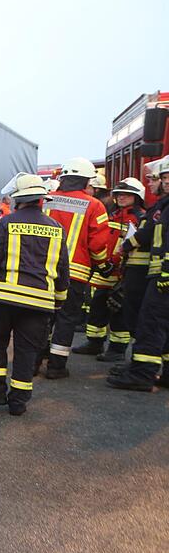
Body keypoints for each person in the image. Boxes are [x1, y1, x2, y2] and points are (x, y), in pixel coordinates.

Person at [0, 175, 68, 416]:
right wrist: (59, 299)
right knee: (27, 352)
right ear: (41, 201)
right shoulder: (57, 229)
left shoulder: (7, 222)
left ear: (18, 200)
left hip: (3, 300)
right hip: (38, 304)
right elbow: (62, 268)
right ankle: (18, 402)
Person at [42, 157, 110, 379]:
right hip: (76, 273)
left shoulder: (47, 201)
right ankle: (56, 366)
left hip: (44, 270)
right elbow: (98, 244)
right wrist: (102, 264)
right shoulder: (95, 205)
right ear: (85, 181)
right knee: (67, 318)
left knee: (42, 315)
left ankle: (34, 359)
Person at [108, 158, 169, 391]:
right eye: (160, 178)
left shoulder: (158, 210)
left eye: (159, 178)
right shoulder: (161, 207)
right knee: (159, 323)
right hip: (150, 272)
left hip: (156, 274)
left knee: (150, 322)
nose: (156, 183)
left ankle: (142, 374)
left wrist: (129, 243)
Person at [72, 178, 145, 360]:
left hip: (123, 273)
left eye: (126, 194)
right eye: (119, 194)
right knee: (97, 307)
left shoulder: (139, 218)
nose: (121, 197)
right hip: (105, 272)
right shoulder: (113, 214)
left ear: (137, 196)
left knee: (118, 311)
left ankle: (117, 349)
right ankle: (94, 343)